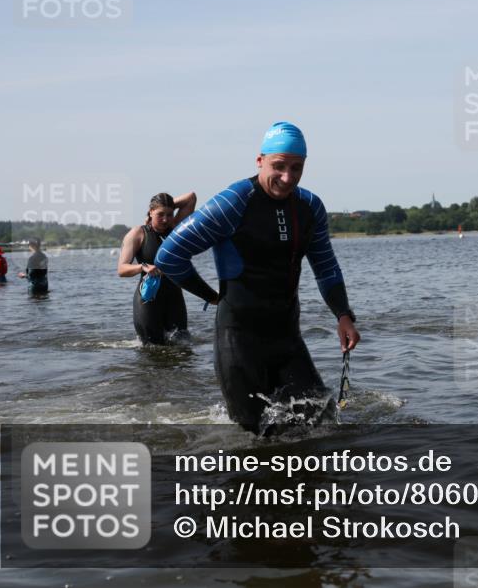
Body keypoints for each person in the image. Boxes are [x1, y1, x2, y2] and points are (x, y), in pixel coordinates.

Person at [155, 121, 360, 435]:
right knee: (257, 440)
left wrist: (343, 315)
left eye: (297, 168)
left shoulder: (309, 207)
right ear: (260, 160)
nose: (287, 177)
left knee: (324, 425)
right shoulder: (233, 202)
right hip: (238, 341)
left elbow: (326, 266)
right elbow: (169, 255)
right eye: (278, 166)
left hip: (287, 338)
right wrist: (211, 296)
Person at [117, 192, 197, 344]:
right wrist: (142, 267)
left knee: (182, 345)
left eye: (169, 214)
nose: (165, 219)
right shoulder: (138, 234)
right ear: (151, 211)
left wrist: (168, 204)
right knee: (152, 348)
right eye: (160, 214)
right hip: (148, 299)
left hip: (174, 298)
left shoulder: (176, 229)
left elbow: (190, 198)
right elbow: (122, 269)